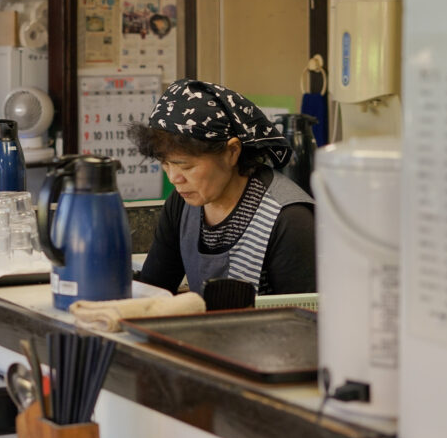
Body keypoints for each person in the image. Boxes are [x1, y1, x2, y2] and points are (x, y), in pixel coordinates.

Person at [129, 79, 315, 296]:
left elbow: (304, 320)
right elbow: (153, 290)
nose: (173, 178)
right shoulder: (181, 205)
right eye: (165, 163)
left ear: (232, 152)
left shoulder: (289, 219)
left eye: (185, 166)